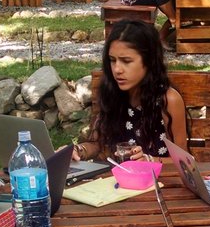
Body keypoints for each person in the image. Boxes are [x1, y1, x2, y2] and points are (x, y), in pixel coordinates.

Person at [74, 20, 187, 162]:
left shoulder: (167, 100)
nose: (117, 69)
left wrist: (149, 161)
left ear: (149, 62)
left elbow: (183, 161)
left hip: (158, 182)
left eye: (126, 61)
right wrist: (77, 151)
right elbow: (98, 144)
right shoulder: (113, 92)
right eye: (112, 60)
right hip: (117, 181)